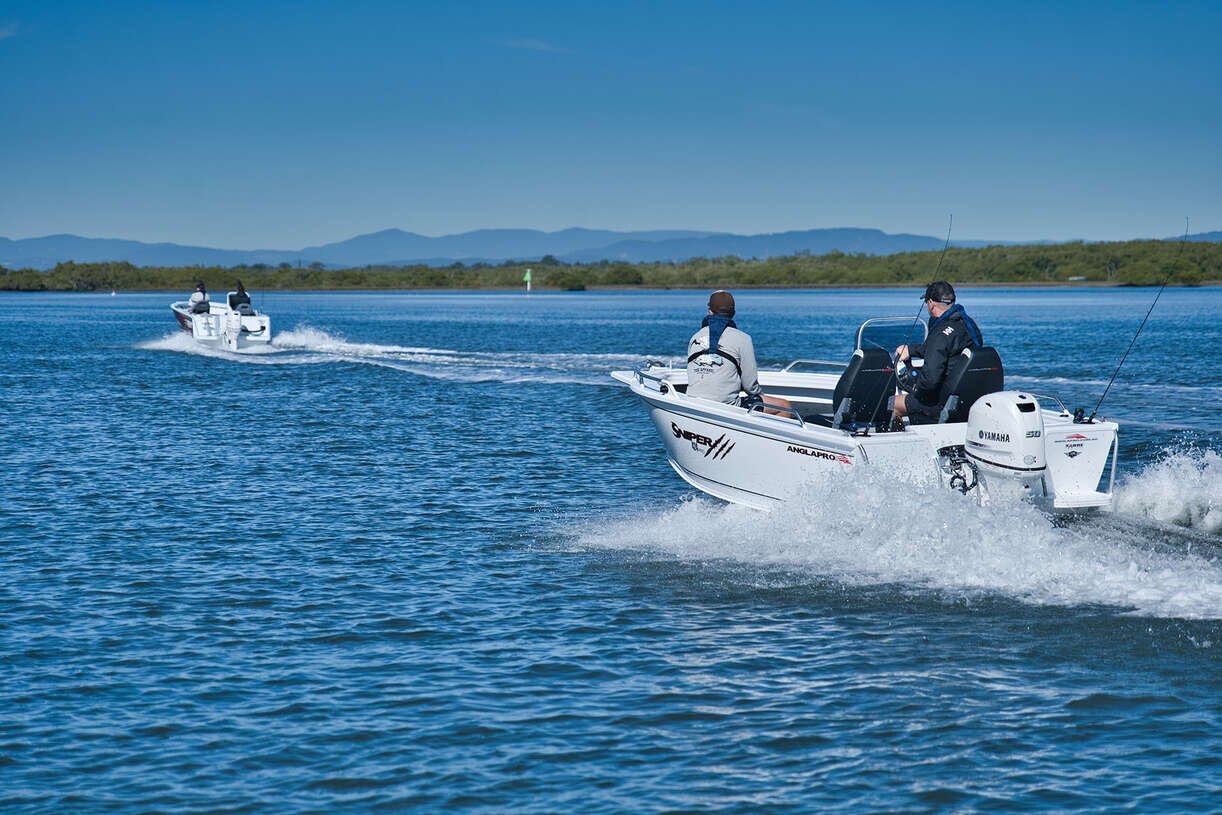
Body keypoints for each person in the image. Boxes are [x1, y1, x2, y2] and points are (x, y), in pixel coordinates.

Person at [892, 280, 984, 425]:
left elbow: (930, 381)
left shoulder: (940, 334)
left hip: (942, 404)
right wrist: (911, 350)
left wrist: (916, 389)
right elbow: (945, 349)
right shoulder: (967, 325)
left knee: (892, 404)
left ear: (931, 303)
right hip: (967, 398)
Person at [687, 290, 792, 414]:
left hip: (692, 402)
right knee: (784, 406)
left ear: (710, 311)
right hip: (726, 406)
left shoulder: (695, 337)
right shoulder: (743, 339)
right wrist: (760, 396)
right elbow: (750, 387)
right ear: (733, 313)